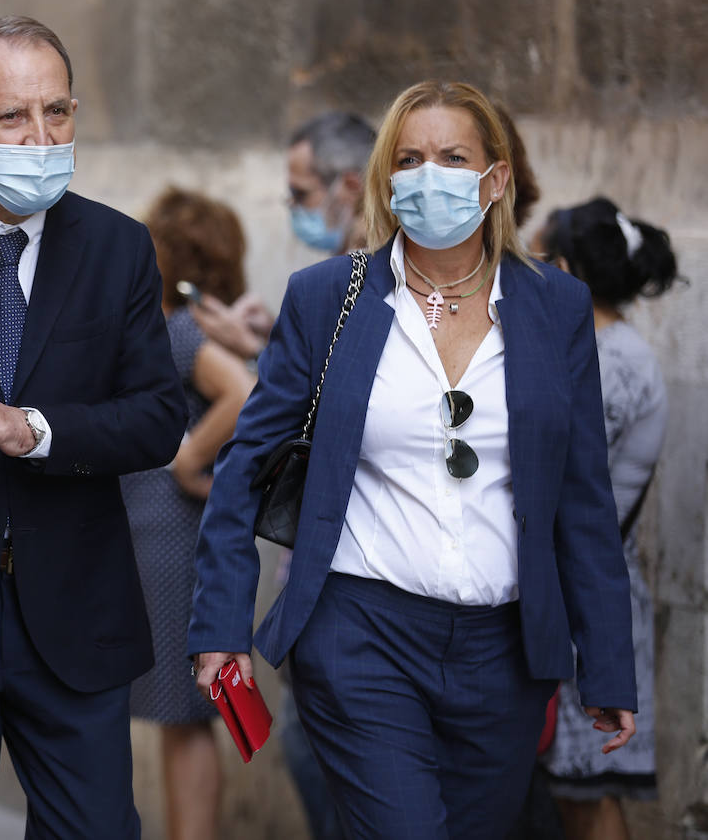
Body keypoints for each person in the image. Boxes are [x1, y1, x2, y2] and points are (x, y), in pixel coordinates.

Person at [189, 79, 638, 839]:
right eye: (410, 159)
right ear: (386, 180)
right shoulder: (329, 296)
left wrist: (607, 663)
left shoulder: (556, 307)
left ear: (495, 179)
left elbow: (582, 498)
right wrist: (219, 627)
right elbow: (243, 468)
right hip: (361, 636)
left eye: (453, 157)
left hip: (505, 654)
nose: (430, 176)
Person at [0, 15, 187, 839]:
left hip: (75, 617)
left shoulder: (118, 247)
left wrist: (37, 429)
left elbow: (157, 418)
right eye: (13, 118)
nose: (41, 136)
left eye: (57, 113)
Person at [533, 198, 677, 840]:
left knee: (590, 794)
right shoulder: (604, 348)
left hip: (588, 594)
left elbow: (569, 484)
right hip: (579, 588)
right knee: (573, 793)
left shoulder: (611, 362)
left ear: (565, 269)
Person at [122, 188, 254, 840]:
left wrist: (188, 461)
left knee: (186, 716)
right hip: (172, 541)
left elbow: (243, 393)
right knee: (186, 716)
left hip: (174, 542)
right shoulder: (194, 327)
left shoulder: (180, 331)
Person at [191, 111, 375, 363]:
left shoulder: (376, 271)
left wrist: (254, 350)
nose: (291, 205)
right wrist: (276, 332)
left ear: (352, 187)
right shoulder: (346, 266)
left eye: (300, 194)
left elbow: (335, 384)